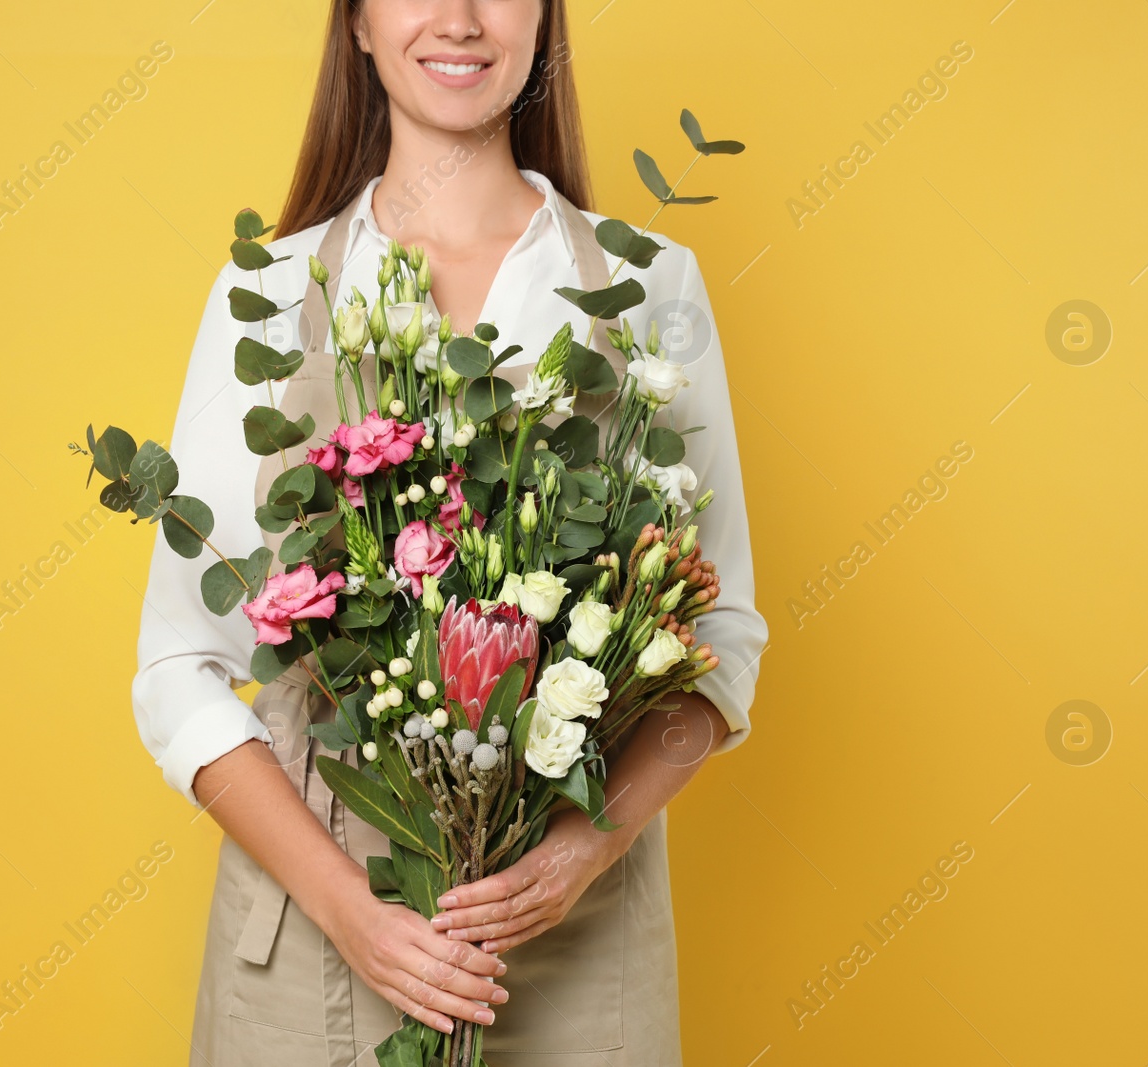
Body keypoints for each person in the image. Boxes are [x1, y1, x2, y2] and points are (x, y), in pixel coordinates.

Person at [132, 1, 769, 1063]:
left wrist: (569, 858)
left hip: (572, 941)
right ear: (359, 24)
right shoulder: (269, 290)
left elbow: (721, 644)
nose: (461, 18)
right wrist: (352, 913)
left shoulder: (649, 285)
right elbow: (177, 668)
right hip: (313, 941)